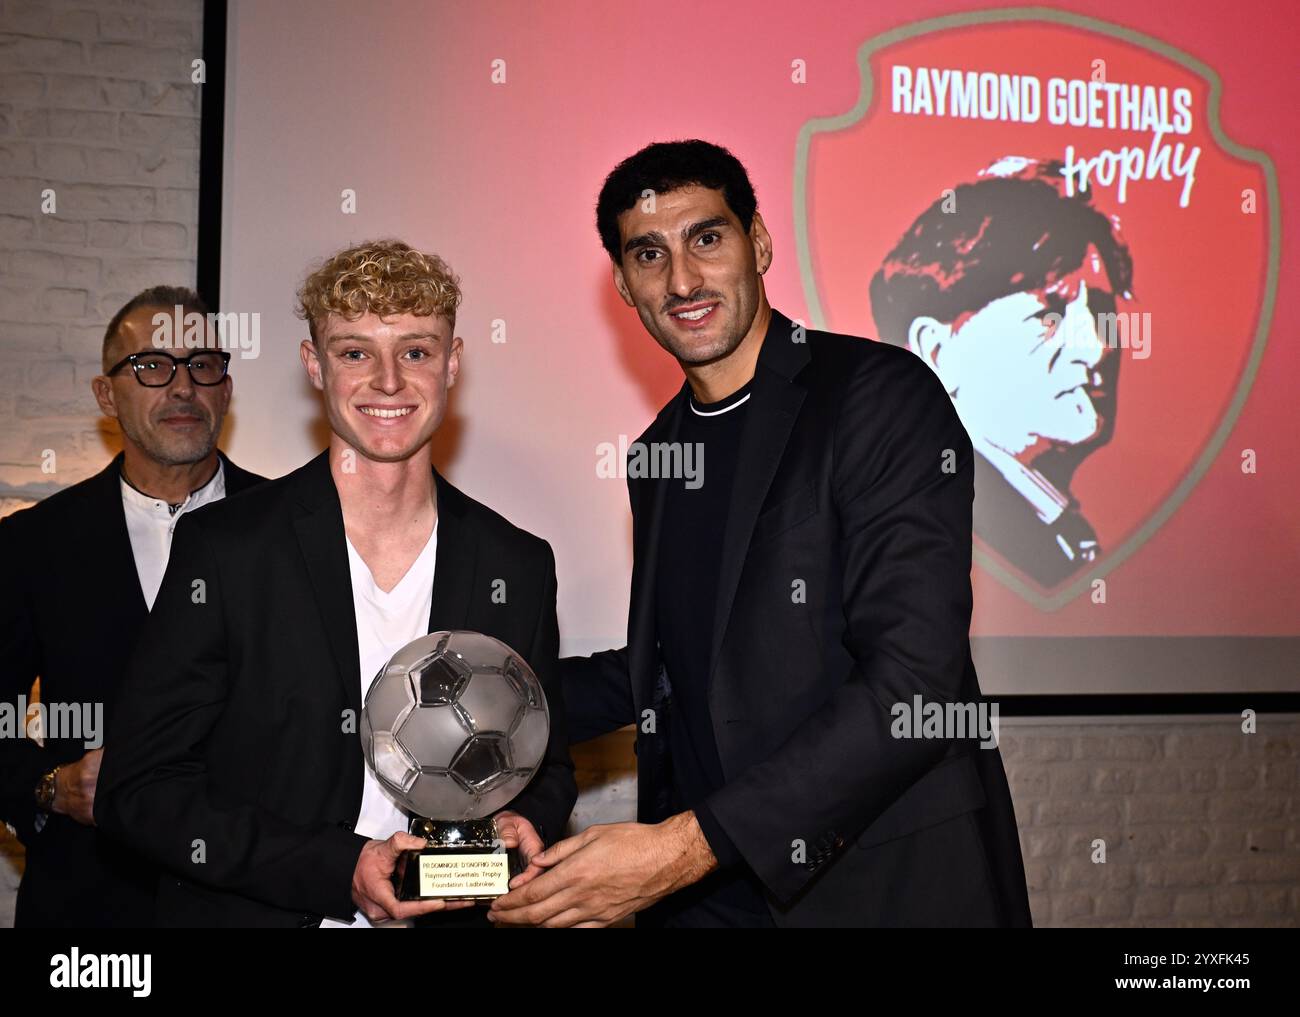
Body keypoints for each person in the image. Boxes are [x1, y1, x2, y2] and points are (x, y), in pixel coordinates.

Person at [489, 139, 1031, 928]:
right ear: (623, 284)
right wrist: (490, 701)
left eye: (707, 238)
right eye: (649, 254)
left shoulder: (876, 395)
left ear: (760, 243)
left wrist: (681, 848)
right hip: (714, 900)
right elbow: (675, 666)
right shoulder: (658, 453)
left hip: (875, 883)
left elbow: (914, 679)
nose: (681, 280)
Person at [94, 241, 576, 927]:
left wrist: (525, 819)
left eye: (415, 351)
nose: (387, 381)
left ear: (453, 363)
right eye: (355, 353)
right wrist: (337, 867)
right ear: (314, 365)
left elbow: (548, 765)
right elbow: (138, 788)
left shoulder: (517, 565)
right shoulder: (228, 550)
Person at [0, 286, 265, 927]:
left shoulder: (292, 530)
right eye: (151, 366)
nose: (182, 388)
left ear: (225, 388)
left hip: (256, 898)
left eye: (202, 364)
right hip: (88, 906)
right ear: (105, 394)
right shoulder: (34, 542)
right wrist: (48, 785)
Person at [869, 160, 1134, 586]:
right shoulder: (907, 513)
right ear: (935, 349)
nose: (1097, 347)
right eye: (1050, 315)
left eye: (1101, 314)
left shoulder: (1054, 521)